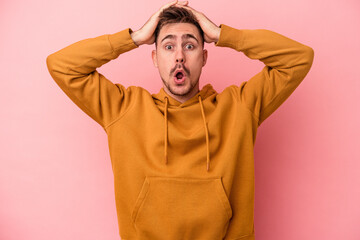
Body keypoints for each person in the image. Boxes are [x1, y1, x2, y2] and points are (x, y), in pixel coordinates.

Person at [46, 0, 314, 239]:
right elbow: (61, 65)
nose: (179, 56)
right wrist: (135, 37)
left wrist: (222, 34)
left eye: (190, 45)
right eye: (168, 46)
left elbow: (298, 59)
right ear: (154, 58)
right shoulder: (124, 109)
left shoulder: (239, 107)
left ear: (204, 56)